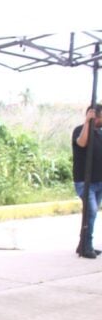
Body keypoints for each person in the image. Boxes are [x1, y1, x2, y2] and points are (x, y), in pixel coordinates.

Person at [72, 104, 102, 259]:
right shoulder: (80, 130)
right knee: (90, 213)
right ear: (94, 116)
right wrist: (87, 122)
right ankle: (86, 246)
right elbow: (82, 143)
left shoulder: (99, 133)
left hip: (98, 181)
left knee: (91, 213)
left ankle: (83, 244)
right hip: (85, 181)